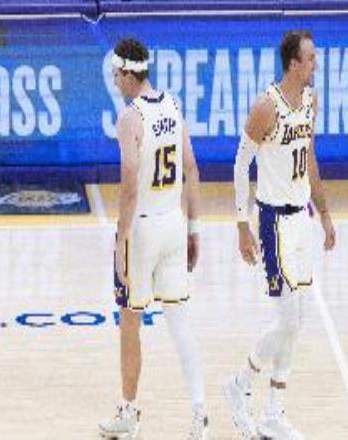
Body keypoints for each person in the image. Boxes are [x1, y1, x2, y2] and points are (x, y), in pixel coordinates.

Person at [224, 30, 336, 440]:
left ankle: (273, 411)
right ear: (293, 63)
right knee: (288, 319)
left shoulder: (310, 100)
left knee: (297, 320)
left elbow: (310, 158)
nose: (315, 64)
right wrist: (242, 225)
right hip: (273, 223)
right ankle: (240, 383)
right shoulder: (266, 107)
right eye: (310, 58)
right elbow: (240, 165)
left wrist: (324, 214)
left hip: (302, 218)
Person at [99, 38, 208, 440]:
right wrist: (194, 228)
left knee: (130, 322)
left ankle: (129, 412)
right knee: (180, 323)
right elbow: (192, 169)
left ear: (129, 74)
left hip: (143, 227)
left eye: (116, 74)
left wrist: (122, 239)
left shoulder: (131, 118)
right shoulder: (173, 105)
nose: (115, 81)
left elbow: (129, 185)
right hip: (174, 223)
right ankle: (199, 414)